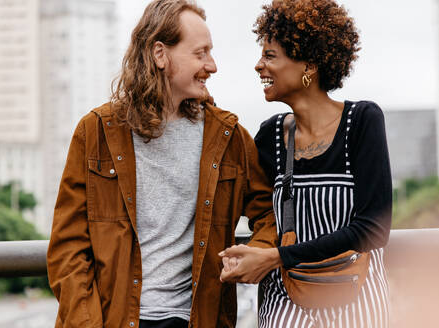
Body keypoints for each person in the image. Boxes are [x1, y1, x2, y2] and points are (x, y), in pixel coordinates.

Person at [46, 1, 277, 327]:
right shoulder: (95, 131)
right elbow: (68, 248)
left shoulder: (229, 138)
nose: (212, 66)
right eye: (201, 53)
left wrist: (259, 253)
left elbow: (270, 212)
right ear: (160, 54)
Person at [219, 0, 392, 327]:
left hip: (356, 301)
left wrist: (275, 257)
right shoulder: (269, 136)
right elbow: (251, 206)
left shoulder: (362, 121)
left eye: (270, 56)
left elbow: (374, 229)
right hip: (284, 304)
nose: (258, 66)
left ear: (308, 66)